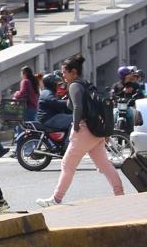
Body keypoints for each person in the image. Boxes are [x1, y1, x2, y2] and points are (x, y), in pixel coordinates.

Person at [37, 56, 125, 207]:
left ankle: (56, 199)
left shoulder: (74, 86)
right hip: (95, 130)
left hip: (84, 130)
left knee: (67, 165)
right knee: (104, 165)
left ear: (73, 72)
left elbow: (78, 107)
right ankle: (120, 194)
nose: (62, 75)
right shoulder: (85, 83)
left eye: (65, 72)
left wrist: (76, 125)